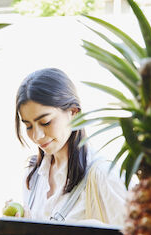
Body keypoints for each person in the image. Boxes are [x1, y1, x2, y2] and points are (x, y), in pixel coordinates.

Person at [15, 68, 127, 226]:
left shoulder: (103, 176)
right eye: (28, 126)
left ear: (74, 112)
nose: (37, 136)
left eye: (45, 122)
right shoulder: (33, 176)